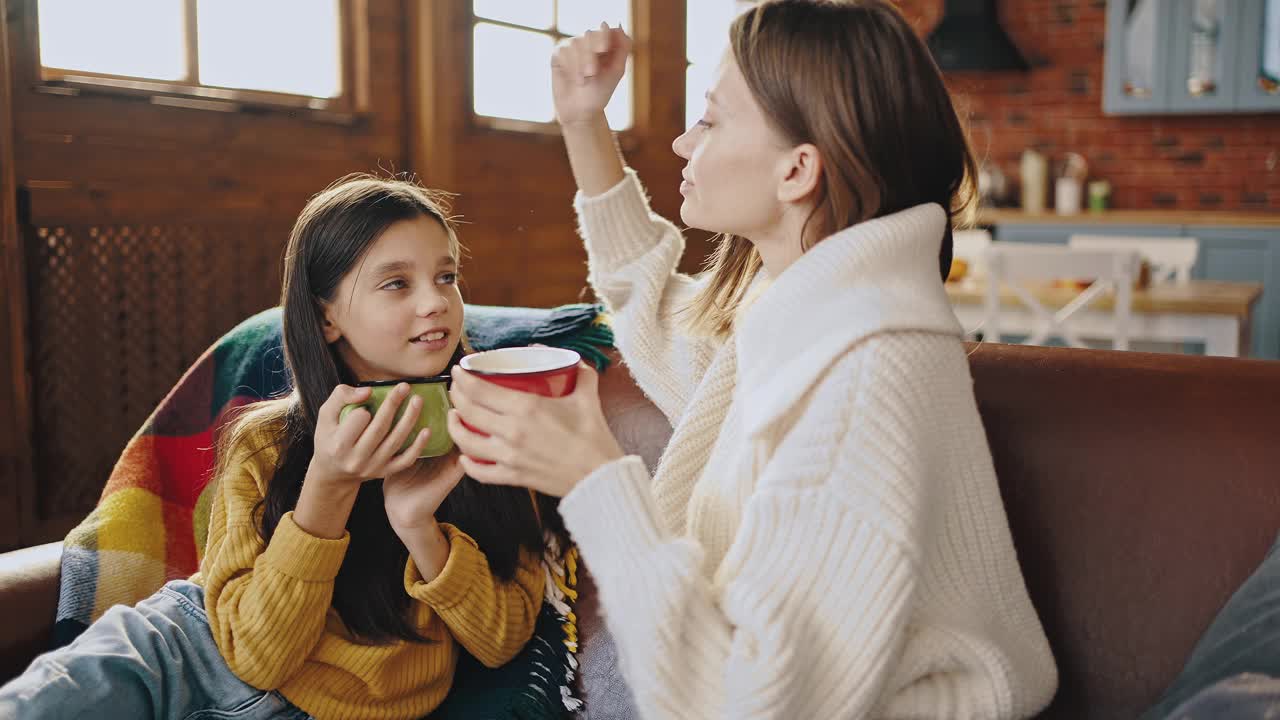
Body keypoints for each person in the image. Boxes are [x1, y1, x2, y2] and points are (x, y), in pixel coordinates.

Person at [446, 1, 1059, 718]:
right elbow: (648, 300)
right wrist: (584, 122)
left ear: (798, 169)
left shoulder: (867, 375)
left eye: (709, 119)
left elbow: (746, 706)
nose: (681, 141)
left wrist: (591, 479)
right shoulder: (799, 312)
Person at [0, 175, 549, 720]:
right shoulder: (265, 442)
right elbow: (255, 656)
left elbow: (502, 638)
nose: (436, 302)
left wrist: (419, 527)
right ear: (326, 316)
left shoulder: (487, 436)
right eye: (397, 283)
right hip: (189, 651)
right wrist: (328, 488)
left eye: (446, 275)